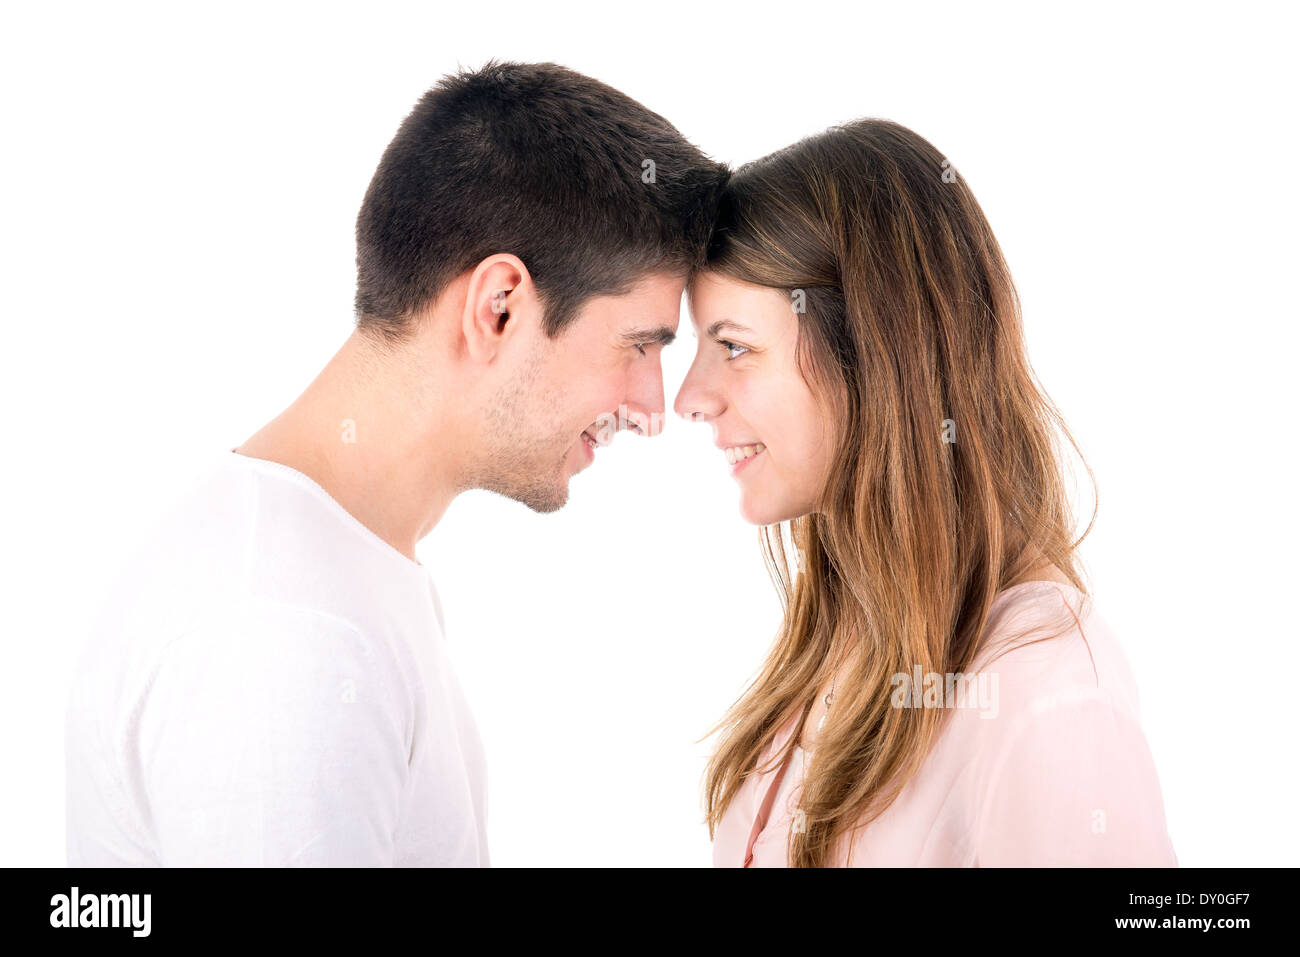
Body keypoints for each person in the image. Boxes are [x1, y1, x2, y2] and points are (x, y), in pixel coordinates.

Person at [65, 61, 728, 866]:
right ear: (500, 307)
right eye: (639, 345)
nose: (652, 409)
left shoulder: (331, 572)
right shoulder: (285, 632)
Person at [674, 118, 1177, 867]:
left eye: (735, 346)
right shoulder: (837, 652)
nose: (690, 395)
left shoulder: (1047, 700)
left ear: (877, 355)